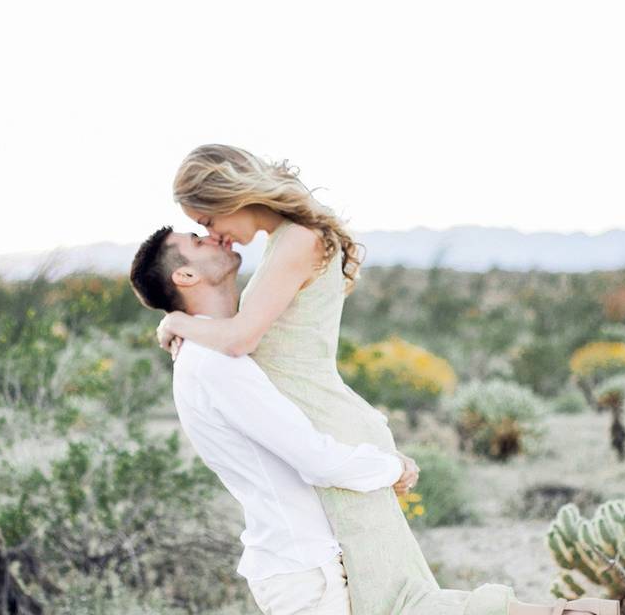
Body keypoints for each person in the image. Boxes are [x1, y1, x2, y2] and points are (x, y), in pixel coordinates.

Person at [132, 153, 619, 615]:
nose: (217, 235)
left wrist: (178, 322)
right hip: (330, 439)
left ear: (227, 195)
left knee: (400, 602)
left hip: (331, 437)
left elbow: (240, 339)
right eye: (202, 233)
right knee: (404, 601)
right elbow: (239, 338)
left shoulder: (294, 242)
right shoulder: (280, 254)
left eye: (208, 222)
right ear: (187, 272)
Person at [130, 226, 420, 614]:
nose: (216, 237)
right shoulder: (215, 364)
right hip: (305, 573)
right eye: (198, 241)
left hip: (303, 563)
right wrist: (392, 466)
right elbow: (315, 459)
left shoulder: (213, 352)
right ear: (185, 276)